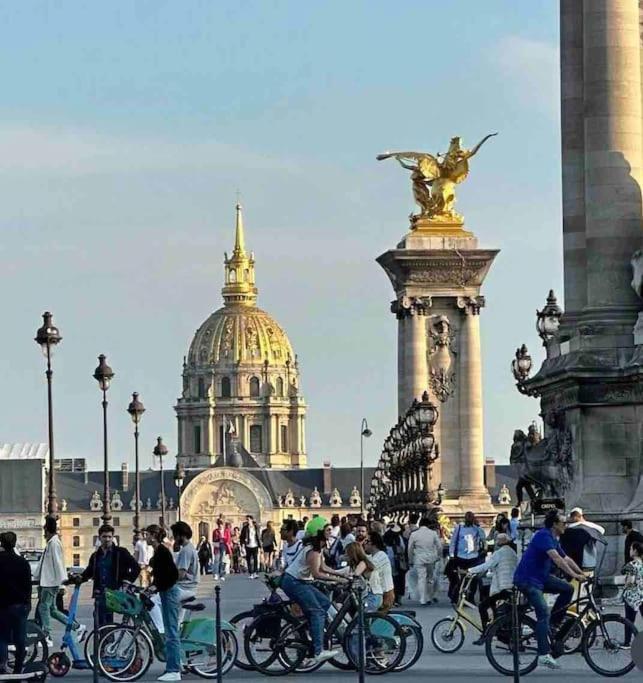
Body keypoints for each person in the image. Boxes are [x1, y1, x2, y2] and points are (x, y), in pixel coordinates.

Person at [513, 510, 586, 670]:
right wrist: (573, 574)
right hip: (528, 580)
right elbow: (557, 559)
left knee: (567, 589)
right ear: (554, 524)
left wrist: (581, 573)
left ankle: (553, 624)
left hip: (541, 577)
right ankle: (543, 655)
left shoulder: (554, 538)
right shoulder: (543, 536)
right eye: (563, 522)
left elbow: (566, 558)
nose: (566, 524)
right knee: (543, 612)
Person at [280, 520, 345, 667]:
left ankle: (313, 632)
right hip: (294, 582)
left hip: (300, 581)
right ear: (319, 532)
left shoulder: (317, 548)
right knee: (317, 611)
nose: (330, 533)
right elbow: (317, 573)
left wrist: (342, 576)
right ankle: (318, 651)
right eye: (327, 530)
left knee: (325, 603)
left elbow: (324, 567)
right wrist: (336, 580)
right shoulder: (313, 550)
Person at [35, 516, 82, 646]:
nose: (44, 533)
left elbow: (58, 562)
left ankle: (47, 636)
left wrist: (62, 581)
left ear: (48, 530)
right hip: (49, 581)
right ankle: (77, 627)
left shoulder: (54, 543)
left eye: (45, 530)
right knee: (53, 610)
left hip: (50, 582)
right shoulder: (52, 542)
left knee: (44, 608)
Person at [80, 524, 140, 626]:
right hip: (100, 593)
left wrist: (127, 581)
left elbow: (136, 567)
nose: (107, 539)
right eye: (104, 536)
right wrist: (77, 579)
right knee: (98, 620)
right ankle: (102, 641)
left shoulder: (120, 552)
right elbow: (89, 572)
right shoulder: (95, 556)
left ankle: (108, 640)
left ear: (113, 537)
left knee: (108, 620)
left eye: (109, 537)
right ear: (99, 537)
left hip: (114, 591)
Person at [468, 533, 518, 644]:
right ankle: (494, 624)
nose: (496, 542)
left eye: (498, 540)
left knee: (482, 606)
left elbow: (486, 566)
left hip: (502, 588)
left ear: (502, 541)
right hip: (510, 587)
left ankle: (485, 633)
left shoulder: (499, 553)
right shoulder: (512, 553)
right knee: (488, 596)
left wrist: (470, 570)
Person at [147, 524, 181, 682]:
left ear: (153, 536)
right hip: (165, 592)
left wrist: (156, 586)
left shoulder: (162, 551)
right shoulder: (159, 551)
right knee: (169, 630)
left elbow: (172, 575)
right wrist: (151, 587)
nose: (145, 537)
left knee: (171, 632)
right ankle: (173, 665)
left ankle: (174, 670)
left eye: (147, 534)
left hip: (169, 593)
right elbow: (160, 576)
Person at [0, 532, 32, 675]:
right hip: (19, 606)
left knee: (2, 638)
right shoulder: (23, 562)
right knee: (20, 640)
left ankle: (2, 667)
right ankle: (18, 670)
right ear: (14, 543)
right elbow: (28, 586)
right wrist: (28, 603)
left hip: (2, 606)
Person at [447, 511, 486, 603]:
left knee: (473, 578)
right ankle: (456, 596)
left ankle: (470, 597)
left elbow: (483, 539)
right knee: (459, 578)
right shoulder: (459, 528)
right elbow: (453, 541)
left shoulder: (476, 529)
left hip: (473, 556)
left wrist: (479, 527)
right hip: (461, 556)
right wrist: (452, 554)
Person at [407, 517, 442, 606]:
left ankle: (423, 599)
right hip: (431, 558)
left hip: (419, 557)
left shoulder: (414, 534)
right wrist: (438, 556)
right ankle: (429, 597)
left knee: (421, 578)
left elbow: (410, 548)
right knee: (430, 578)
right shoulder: (433, 533)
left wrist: (410, 559)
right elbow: (439, 546)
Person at [171, 521, 199, 623]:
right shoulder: (190, 548)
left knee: (157, 600)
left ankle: (161, 629)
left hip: (184, 587)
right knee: (178, 620)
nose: (174, 539)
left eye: (175, 535)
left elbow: (181, 574)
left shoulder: (185, 551)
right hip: (189, 587)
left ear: (180, 535)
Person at [566, 508, 605, 572]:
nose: (571, 520)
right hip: (590, 561)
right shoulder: (592, 527)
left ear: (575, 517)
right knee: (588, 579)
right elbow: (602, 531)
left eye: (571, 518)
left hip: (574, 560)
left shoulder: (570, 527)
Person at [364, 531, 395, 611]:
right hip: (378, 593)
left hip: (386, 594)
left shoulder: (381, 555)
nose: (365, 543)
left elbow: (368, 569)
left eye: (367, 541)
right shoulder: (371, 556)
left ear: (374, 544)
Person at [622, 541, 643, 642]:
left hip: (632, 595)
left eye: (631, 549)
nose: (629, 551)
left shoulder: (631, 564)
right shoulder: (642, 564)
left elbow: (631, 580)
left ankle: (627, 642)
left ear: (635, 551)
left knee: (629, 620)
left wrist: (625, 586)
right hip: (642, 593)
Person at [383, 524, 407, 605]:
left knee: (390, 581)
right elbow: (403, 548)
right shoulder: (399, 538)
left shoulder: (384, 538)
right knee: (399, 581)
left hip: (388, 562)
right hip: (398, 562)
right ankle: (398, 599)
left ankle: (390, 599)